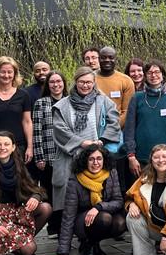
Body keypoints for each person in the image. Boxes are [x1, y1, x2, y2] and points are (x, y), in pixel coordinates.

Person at [50, 67, 122, 217]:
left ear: (94, 83)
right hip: (71, 156)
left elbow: (114, 122)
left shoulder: (104, 102)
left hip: (96, 155)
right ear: (75, 82)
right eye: (81, 82)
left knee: (96, 192)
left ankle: (96, 226)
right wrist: (81, 143)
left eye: (89, 82)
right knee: (72, 197)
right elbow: (59, 129)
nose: (85, 85)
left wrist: (101, 141)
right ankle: (73, 228)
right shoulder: (62, 105)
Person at [47, 145, 126, 255]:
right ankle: (87, 243)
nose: (96, 163)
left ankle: (94, 244)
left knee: (120, 223)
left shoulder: (111, 174)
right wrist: (62, 253)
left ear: (104, 160)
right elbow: (68, 216)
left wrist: (98, 207)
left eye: (99, 158)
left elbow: (118, 201)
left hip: (102, 212)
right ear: (85, 161)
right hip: (82, 222)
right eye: (91, 159)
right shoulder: (75, 180)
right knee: (104, 218)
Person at [124, 60, 166, 186]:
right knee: (140, 198)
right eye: (150, 72)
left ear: (163, 75)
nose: (154, 75)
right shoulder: (137, 98)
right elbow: (129, 129)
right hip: (141, 160)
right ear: (145, 75)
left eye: (157, 72)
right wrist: (131, 156)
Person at [31, 70, 67, 234]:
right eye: (52, 82)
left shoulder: (69, 101)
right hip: (48, 154)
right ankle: (53, 226)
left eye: (59, 81)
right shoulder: (41, 103)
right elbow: (36, 131)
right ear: (48, 85)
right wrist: (39, 156)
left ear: (64, 83)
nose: (56, 85)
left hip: (66, 154)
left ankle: (63, 226)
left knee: (65, 192)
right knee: (50, 192)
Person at [95, 46, 134, 127]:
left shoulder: (126, 81)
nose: (107, 60)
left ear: (116, 59)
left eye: (111, 57)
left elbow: (127, 111)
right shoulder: (90, 79)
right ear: (98, 59)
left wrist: (113, 128)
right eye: (103, 58)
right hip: (93, 128)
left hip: (116, 128)